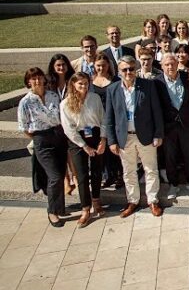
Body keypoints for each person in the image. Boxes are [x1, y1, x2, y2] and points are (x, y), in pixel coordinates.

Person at [104, 56, 164, 218]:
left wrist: (158, 134)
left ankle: (153, 200)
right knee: (128, 171)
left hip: (146, 136)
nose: (128, 72)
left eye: (131, 69)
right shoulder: (112, 89)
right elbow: (109, 118)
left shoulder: (148, 86)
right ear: (119, 71)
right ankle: (132, 200)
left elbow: (157, 112)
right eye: (124, 69)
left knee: (151, 169)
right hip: (125, 138)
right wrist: (112, 141)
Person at [18, 67, 69, 227]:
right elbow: (24, 126)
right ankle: (52, 211)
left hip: (59, 136)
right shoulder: (25, 102)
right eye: (33, 79)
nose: (37, 81)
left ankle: (60, 207)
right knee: (54, 176)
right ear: (28, 82)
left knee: (60, 173)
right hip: (42, 140)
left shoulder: (53, 96)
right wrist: (39, 138)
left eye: (39, 77)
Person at [60, 72, 107, 227]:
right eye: (80, 83)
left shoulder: (95, 98)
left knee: (97, 171)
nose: (83, 86)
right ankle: (85, 208)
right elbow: (68, 129)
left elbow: (103, 119)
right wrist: (84, 146)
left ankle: (96, 200)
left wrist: (103, 139)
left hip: (95, 135)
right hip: (77, 140)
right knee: (81, 175)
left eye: (86, 83)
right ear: (73, 84)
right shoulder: (65, 103)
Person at [155, 54, 189, 199]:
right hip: (168, 126)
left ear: (177, 64)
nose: (170, 67)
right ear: (162, 66)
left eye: (172, 64)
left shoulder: (186, 77)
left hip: (186, 124)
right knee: (170, 156)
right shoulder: (157, 82)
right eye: (167, 64)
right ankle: (173, 184)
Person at [90, 53, 122, 190]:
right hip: (97, 120)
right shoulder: (90, 82)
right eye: (98, 66)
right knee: (102, 150)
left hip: (113, 118)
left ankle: (119, 175)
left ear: (108, 65)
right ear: (94, 66)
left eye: (104, 65)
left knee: (115, 147)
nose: (101, 68)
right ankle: (107, 176)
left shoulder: (116, 81)